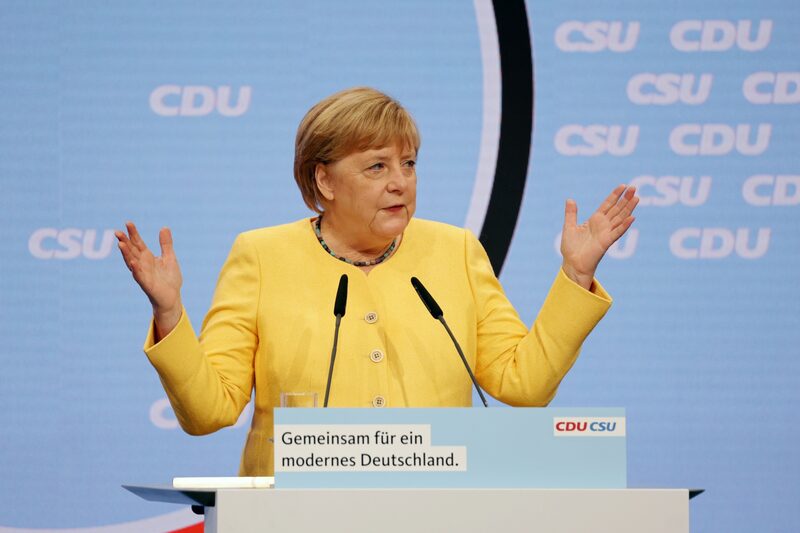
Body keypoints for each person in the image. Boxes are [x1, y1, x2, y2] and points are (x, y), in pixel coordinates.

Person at [116, 87, 638, 476]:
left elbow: (525, 384)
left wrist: (576, 274)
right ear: (324, 180)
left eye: (408, 164)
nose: (400, 182)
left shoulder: (453, 250)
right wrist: (169, 313)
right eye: (376, 166)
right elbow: (209, 412)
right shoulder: (262, 256)